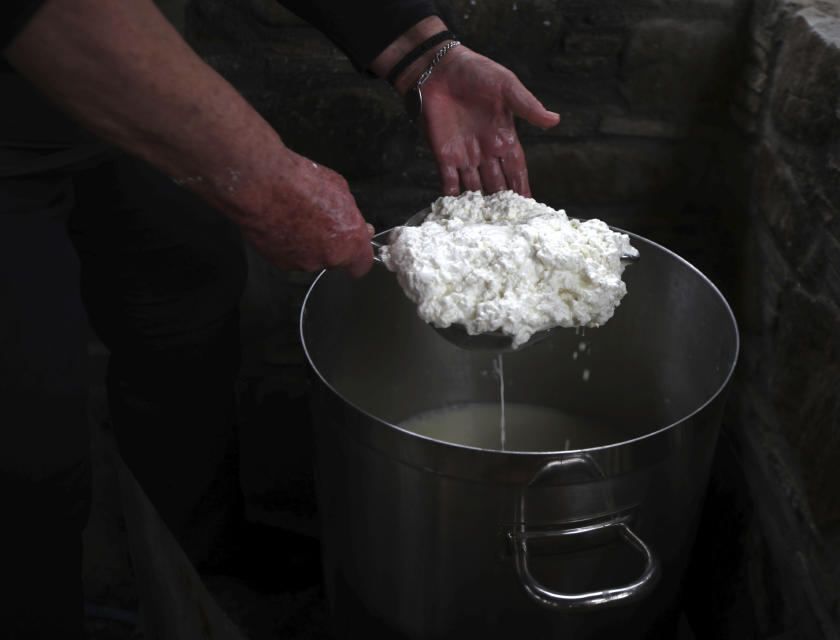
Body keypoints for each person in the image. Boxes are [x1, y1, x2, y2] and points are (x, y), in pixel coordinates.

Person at [0, 0, 560, 636]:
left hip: (135, 76)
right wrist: (262, 178)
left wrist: (423, 51)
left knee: (187, 302)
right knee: (27, 432)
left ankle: (195, 558)